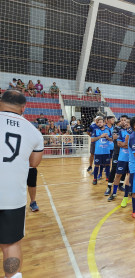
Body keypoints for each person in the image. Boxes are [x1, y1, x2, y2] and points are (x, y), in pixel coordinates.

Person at [0, 90, 44, 278]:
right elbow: (33, 163)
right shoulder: (33, 131)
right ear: (24, 108)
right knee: (11, 244)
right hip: (12, 198)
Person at [107, 116, 132, 202]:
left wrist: (125, 144)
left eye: (127, 122)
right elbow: (119, 144)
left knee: (130, 176)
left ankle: (129, 191)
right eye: (123, 121)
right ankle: (113, 193)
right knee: (118, 174)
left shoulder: (134, 132)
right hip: (122, 157)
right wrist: (128, 145)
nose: (125, 123)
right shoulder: (120, 131)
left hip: (132, 158)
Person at [105, 116, 127, 196]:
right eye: (121, 120)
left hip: (125, 153)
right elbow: (114, 138)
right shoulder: (116, 128)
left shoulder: (129, 130)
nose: (123, 121)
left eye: (125, 120)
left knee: (124, 170)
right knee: (114, 169)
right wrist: (125, 140)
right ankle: (109, 187)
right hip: (117, 152)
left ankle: (121, 185)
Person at [91, 117, 112, 185]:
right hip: (98, 151)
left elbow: (112, 139)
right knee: (97, 165)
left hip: (106, 151)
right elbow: (92, 140)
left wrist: (107, 137)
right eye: (98, 122)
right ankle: (95, 178)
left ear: (104, 123)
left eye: (101, 122)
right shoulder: (95, 130)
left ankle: (108, 177)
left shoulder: (108, 130)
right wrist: (101, 136)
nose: (99, 123)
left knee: (108, 164)